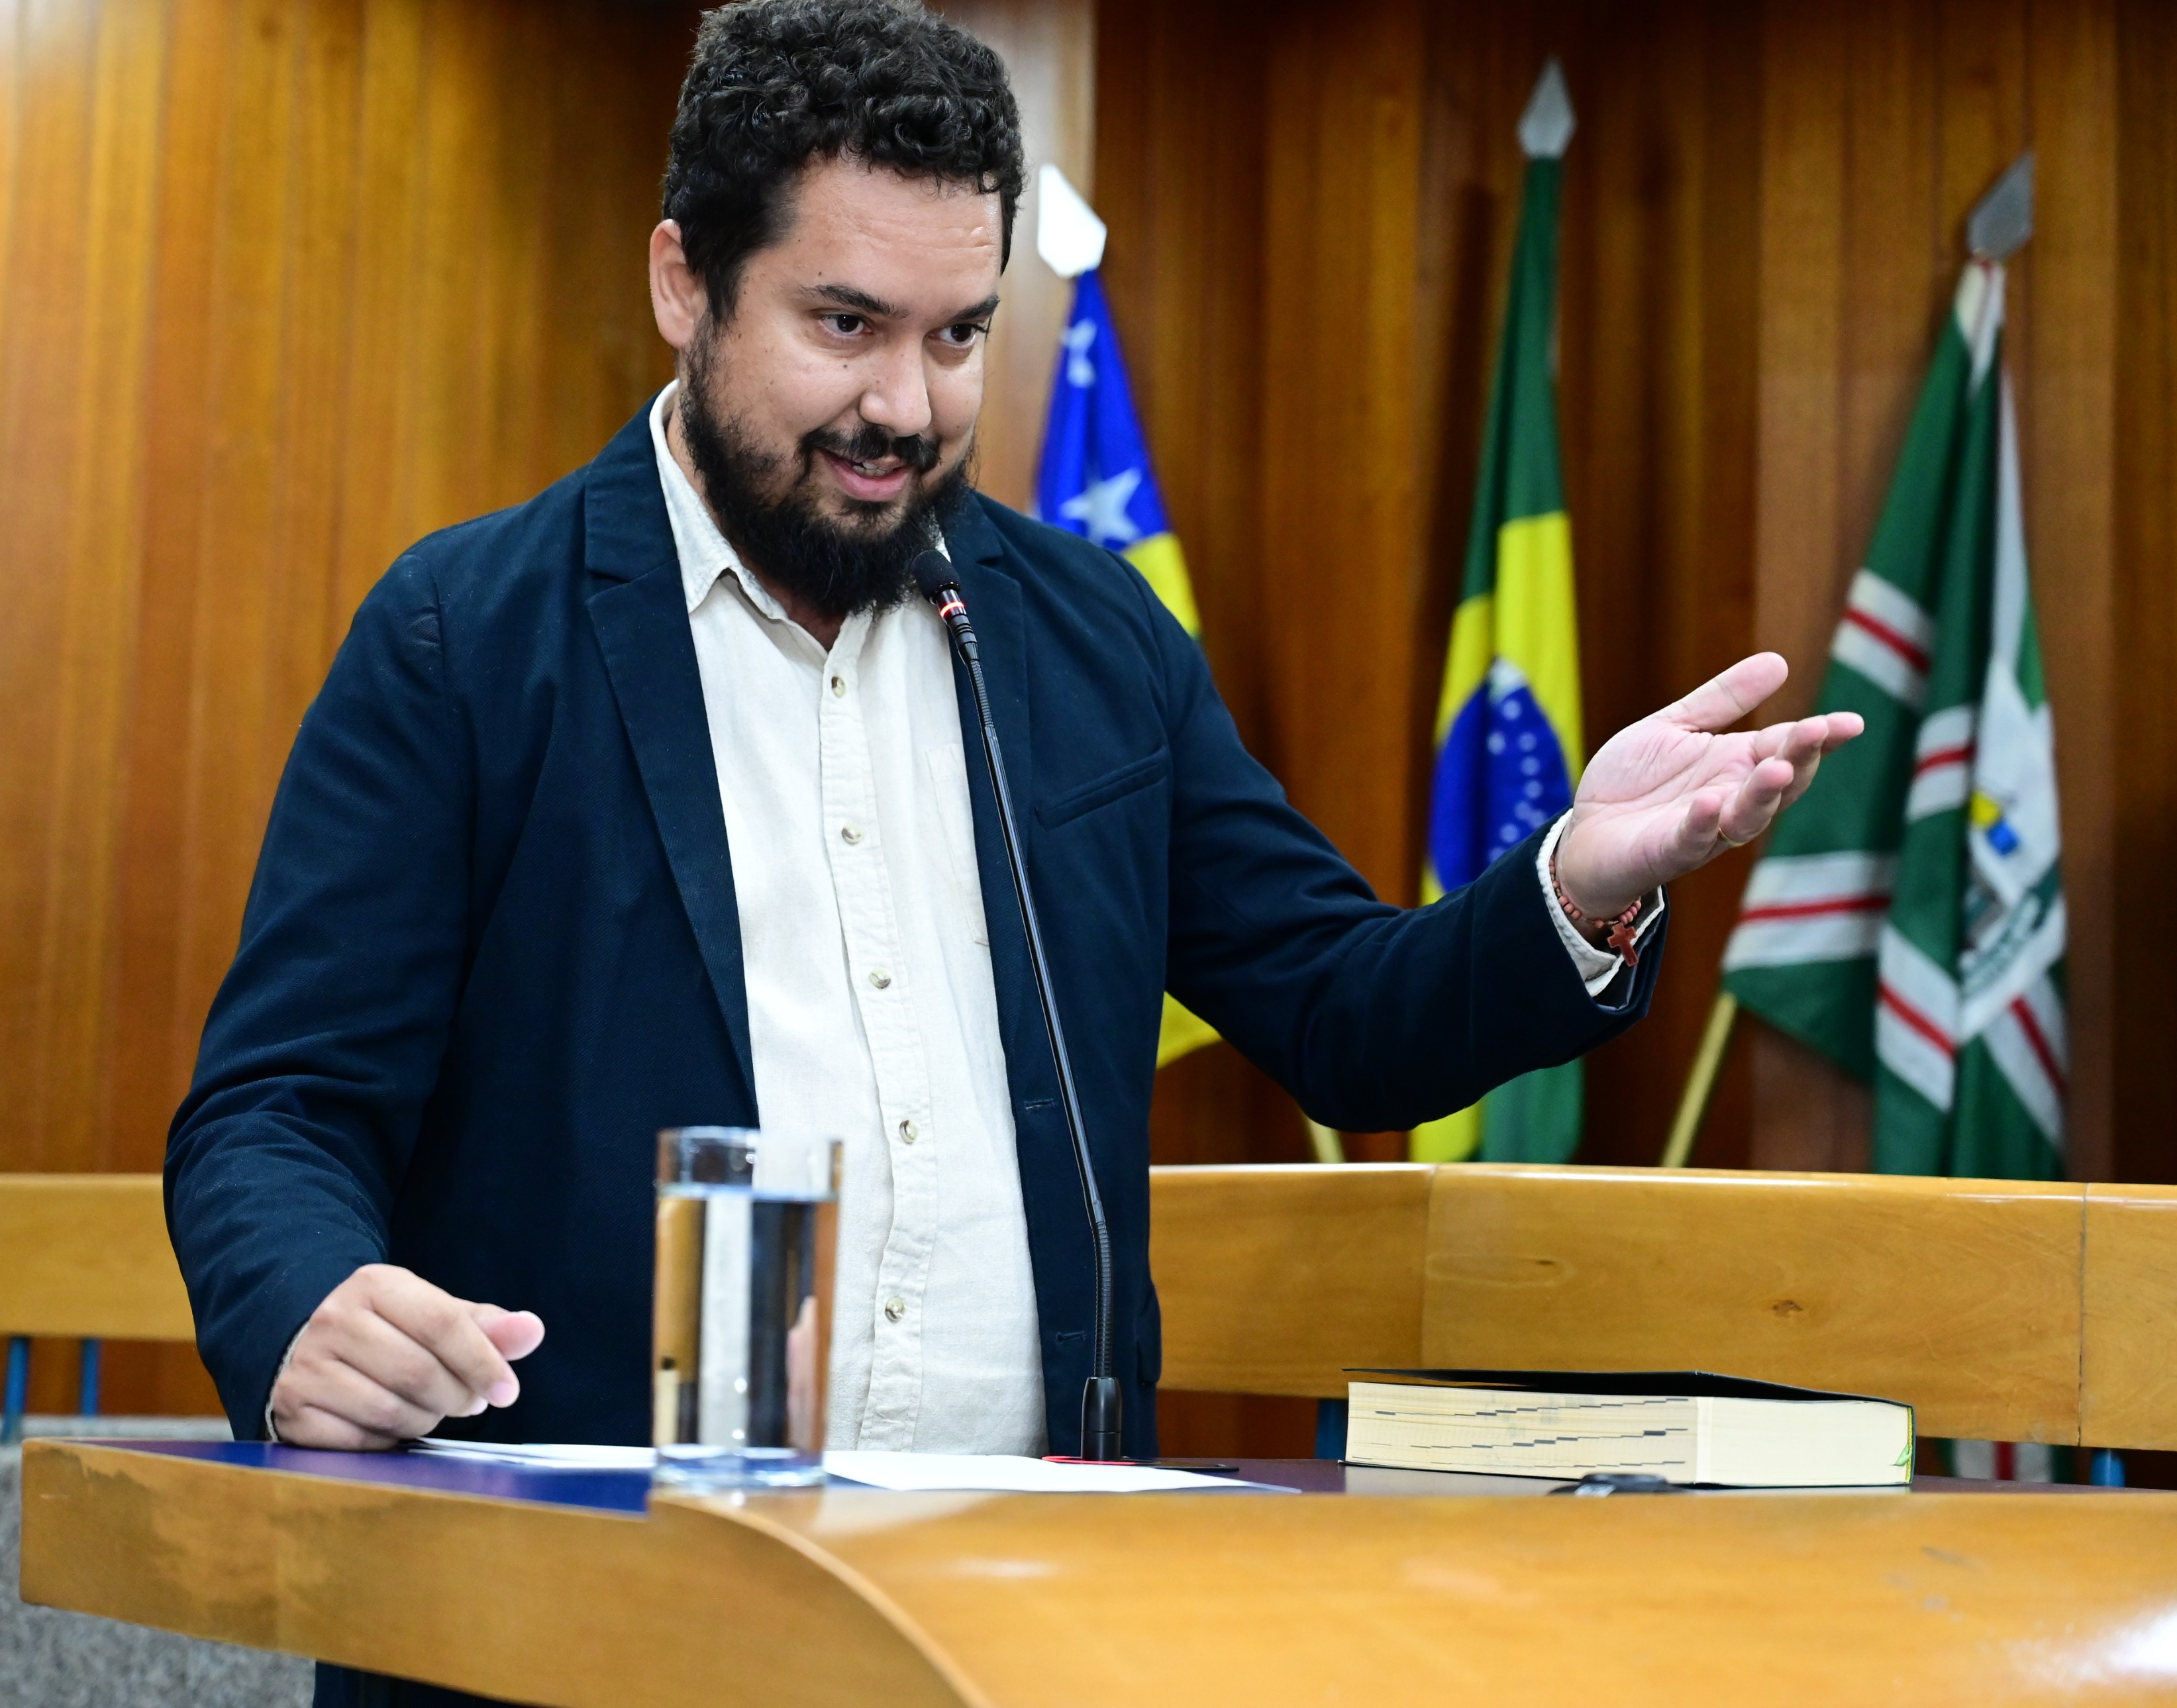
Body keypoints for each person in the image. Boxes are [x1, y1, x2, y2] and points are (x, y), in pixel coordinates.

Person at [165, 5, 1858, 1699]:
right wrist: (304, 1302)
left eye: (960, 335)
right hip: (582, 1616)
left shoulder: (1090, 637)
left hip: (1022, 1618)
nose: (904, 406)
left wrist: (1578, 879)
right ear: (686, 283)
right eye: (844, 324)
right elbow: (278, 1106)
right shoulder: (467, 636)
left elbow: (1344, 1012)